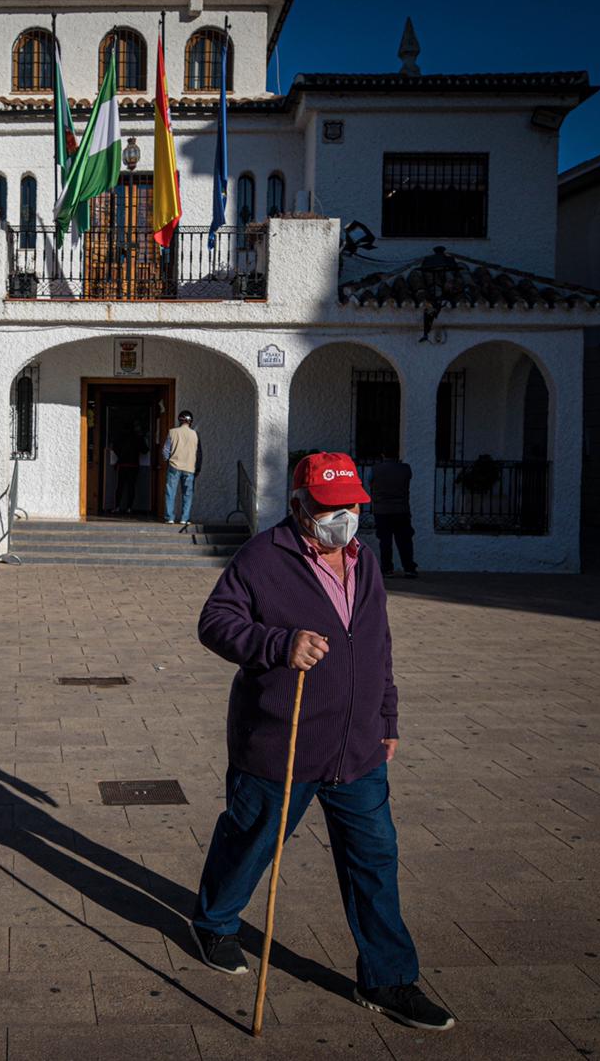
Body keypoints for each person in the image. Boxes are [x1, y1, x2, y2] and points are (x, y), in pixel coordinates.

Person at [187, 450, 455, 1032]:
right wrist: (279, 644)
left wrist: (388, 717)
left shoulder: (367, 560)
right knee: (252, 838)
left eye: (351, 506)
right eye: (330, 508)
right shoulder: (263, 556)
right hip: (282, 743)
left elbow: (378, 643)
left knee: (376, 860)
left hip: (358, 746)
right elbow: (215, 623)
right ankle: (214, 922)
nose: (343, 518)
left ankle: (388, 979)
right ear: (299, 506)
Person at [368, 452, 418, 577]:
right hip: (402, 510)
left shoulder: (375, 469)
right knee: (404, 541)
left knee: (385, 541)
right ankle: (409, 568)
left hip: (382, 511)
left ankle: (387, 569)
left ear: (383, 455)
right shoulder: (406, 469)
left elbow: (370, 483)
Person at [161, 410, 203, 526]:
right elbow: (199, 453)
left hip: (174, 466)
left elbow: (165, 451)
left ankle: (170, 517)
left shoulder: (172, 432)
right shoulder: (195, 434)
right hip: (190, 468)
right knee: (187, 494)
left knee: (170, 493)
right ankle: (185, 518)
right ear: (190, 421)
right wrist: (198, 468)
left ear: (179, 420)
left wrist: (167, 460)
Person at [112, 421, 146, 514]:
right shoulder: (138, 438)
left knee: (120, 487)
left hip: (122, 464)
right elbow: (145, 450)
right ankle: (129, 508)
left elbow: (114, 447)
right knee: (131, 487)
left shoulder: (120, 437)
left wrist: (120, 456)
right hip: (133, 465)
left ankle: (117, 507)